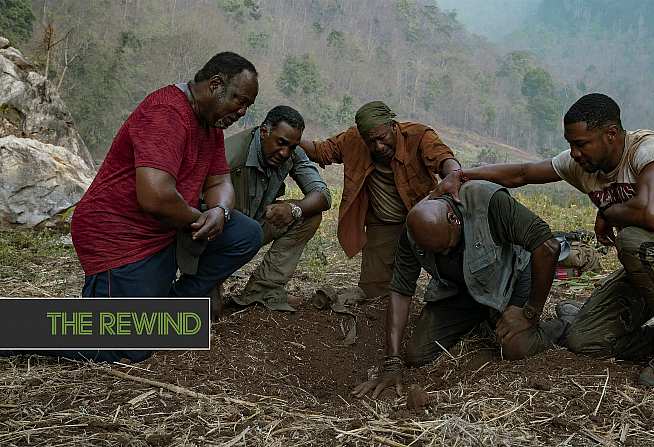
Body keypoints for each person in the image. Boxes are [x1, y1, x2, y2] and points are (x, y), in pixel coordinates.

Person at [432, 93, 654, 386]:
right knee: (583, 339)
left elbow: (653, 215)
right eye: (570, 144)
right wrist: (462, 175)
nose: (574, 152)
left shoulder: (650, 151)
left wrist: (610, 213)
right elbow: (522, 173)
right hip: (650, 269)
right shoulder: (583, 164)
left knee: (634, 241)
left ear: (611, 134)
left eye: (581, 144)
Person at [57, 52, 262, 363]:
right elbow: (155, 197)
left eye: (248, 105)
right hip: (118, 234)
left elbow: (220, 183)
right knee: (127, 347)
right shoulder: (166, 113)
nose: (243, 111)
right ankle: (15, 328)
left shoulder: (211, 125)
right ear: (216, 84)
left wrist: (218, 212)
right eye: (239, 100)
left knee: (245, 234)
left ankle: (170, 308)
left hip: (165, 230)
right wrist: (199, 219)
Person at [353, 180, 563, 398]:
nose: (444, 256)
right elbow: (401, 290)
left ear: (453, 219)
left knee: (515, 347)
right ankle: (484, 316)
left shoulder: (488, 201)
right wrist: (392, 364)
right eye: (435, 252)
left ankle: (563, 324)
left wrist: (529, 312)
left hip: (510, 282)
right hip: (461, 291)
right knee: (417, 355)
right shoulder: (414, 232)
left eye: (446, 247)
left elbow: (548, 247)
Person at [300, 101, 462, 299]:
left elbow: (443, 158)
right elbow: (321, 151)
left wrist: (454, 175)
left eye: (383, 138)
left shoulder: (419, 136)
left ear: (393, 126)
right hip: (383, 224)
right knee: (373, 291)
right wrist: (292, 138)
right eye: (371, 142)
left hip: (423, 219)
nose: (378, 146)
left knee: (451, 276)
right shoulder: (353, 139)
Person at [222, 105, 331, 312]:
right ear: (264, 132)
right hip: (222, 233)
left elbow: (323, 195)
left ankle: (263, 290)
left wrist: (294, 209)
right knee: (207, 307)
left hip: (255, 226)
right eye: (281, 143)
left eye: (292, 146)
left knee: (309, 214)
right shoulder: (231, 157)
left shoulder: (291, 152)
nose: (284, 152)